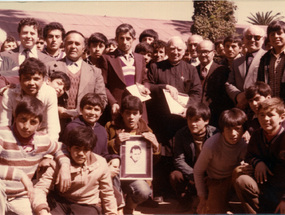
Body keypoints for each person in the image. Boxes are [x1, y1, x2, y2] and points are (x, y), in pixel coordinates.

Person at [0, 96, 70, 215]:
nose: (26, 126)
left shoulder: (41, 139)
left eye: (33, 122)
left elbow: (61, 148)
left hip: (20, 196)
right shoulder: (3, 134)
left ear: (39, 124)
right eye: (23, 119)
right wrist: (20, 175)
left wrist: (65, 166)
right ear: (15, 117)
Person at [32, 126, 117, 215]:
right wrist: (41, 209)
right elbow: (41, 188)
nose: (81, 153)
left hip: (86, 205)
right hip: (61, 202)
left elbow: (107, 193)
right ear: (69, 148)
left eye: (86, 150)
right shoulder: (59, 162)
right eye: (77, 148)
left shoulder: (100, 164)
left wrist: (111, 213)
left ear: (91, 150)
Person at [61, 92, 124, 212]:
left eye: (96, 109)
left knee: (116, 197)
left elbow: (103, 154)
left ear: (101, 113)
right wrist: (103, 172)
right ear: (81, 109)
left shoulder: (101, 130)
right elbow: (68, 154)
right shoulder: (73, 127)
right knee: (112, 196)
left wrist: (114, 158)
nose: (92, 112)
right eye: (88, 108)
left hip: (98, 171)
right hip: (79, 174)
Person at [105, 95, 160, 214]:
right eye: (128, 113)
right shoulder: (111, 126)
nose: (131, 117)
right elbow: (102, 151)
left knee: (144, 191)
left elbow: (152, 162)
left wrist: (155, 146)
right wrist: (115, 142)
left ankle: (129, 208)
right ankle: (117, 209)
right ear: (121, 113)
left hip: (134, 175)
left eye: (135, 113)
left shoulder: (147, 131)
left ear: (140, 114)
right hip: (115, 174)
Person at [147, 36, 202, 147]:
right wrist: (164, 87)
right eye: (172, 48)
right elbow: (148, 86)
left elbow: (196, 92)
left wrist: (188, 108)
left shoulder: (191, 69)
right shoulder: (155, 67)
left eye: (179, 49)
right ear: (167, 50)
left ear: (184, 51)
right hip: (160, 118)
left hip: (183, 119)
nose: (175, 52)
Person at [233, 97, 285, 214]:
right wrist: (258, 163)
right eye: (262, 115)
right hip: (265, 185)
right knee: (242, 179)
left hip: (282, 189)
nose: (265, 119)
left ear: (282, 117)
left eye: (270, 115)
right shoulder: (256, 135)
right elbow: (249, 156)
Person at [47, 30, 107, 127]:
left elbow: (102, 99)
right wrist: (55, 109)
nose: (73, 46)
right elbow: (42, 94)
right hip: (55, 121)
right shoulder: (50, 67)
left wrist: (85, 113)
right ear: (64, 46)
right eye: (70, 43)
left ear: (84, 48)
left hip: (83, 124)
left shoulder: (95, 72)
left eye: (77, 44)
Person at [194, 108, 247, 214]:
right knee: (212, 211)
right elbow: (198, 171)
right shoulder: (211, 145)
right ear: (222, 130)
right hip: (216, 181)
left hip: (234, 180)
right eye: (228, 129)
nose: (233, 134)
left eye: (237, 129)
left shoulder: (244, 143)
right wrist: (202, 198)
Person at [170, 102, 218, 212]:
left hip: (210, 176)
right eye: (189, 120)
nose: (192, 124)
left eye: (197, 120)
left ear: (206, 121)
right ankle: (185, 202)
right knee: (175, 176)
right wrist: (195, 175)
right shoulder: (181, 134)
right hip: (191, 174)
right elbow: (178, 160)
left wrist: (207, 176)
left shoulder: (215, 134)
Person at [0, 58, 60, 141]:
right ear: (20, 79)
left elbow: (53, 126)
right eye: (27, 78)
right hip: (17, 135)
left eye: (36, 79)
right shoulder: (10, 94)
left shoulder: (50, 93)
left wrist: (50, 147)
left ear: (43, 80)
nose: (31, 83)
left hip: (42, 135)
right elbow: (4, 124)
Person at [101, 23, 150, 122]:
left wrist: (146, 88)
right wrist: (113, 103)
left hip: (137, 106)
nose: (125, 42)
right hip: (118, 106)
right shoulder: (107, 58)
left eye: (128, 38)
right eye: (121, 38)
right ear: (116, 39)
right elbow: (103, 85)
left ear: (133, 39)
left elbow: (145, 80)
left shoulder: (140, 58)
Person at [226, 25, 266, 110]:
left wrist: (248, 98)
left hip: (260, 107)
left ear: (263, 40)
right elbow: (229, 83)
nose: (252, 40)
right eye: (249, 37)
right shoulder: (237, 62)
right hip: (240, 107)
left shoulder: (268, 58)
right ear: (243, 39)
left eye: (257, 37)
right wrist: (238, 96)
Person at [196, 39, 234, 127]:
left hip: (215, 119)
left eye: (206, 51)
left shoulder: (223, 71)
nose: (202, 54)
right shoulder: (192, 71)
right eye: (200, 51)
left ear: (213, 52)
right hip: (197, 117)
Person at [257, 20, 285, 102]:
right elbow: (261, 83)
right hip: (270, 105)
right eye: (272, 34)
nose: (276, 36)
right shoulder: (265, 58)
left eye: (279, 33)